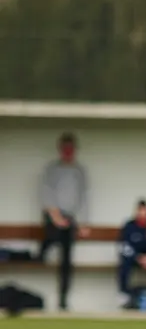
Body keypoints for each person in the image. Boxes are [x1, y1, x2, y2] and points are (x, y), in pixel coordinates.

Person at [37, 132, 90, 311]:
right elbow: (46, 195)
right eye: (65, 149)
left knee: (66, 261)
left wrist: (82, 223)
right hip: (53, 217)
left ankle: (63, 299)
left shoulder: (79, 171)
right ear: (60, 150)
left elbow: (83, 198)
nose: (68, 153)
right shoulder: (52, 169)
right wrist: (56, 217)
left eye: (70, 150)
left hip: (70, 218)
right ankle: (39, 255)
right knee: (52, 236)